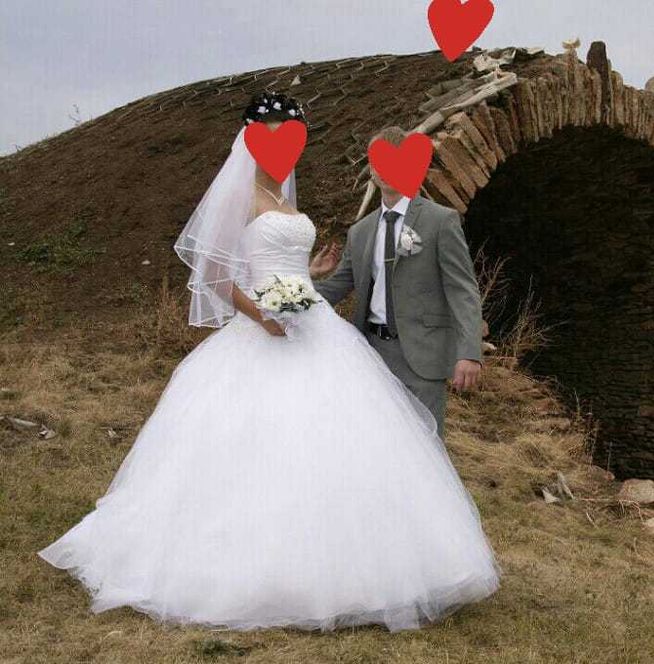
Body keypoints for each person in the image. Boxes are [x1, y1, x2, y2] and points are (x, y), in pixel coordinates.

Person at [36, 91, 502, 633]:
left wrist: (310, 271)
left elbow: (282, 265)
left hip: (316, 331)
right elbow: (216, 273)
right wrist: (262, 316)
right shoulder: (242, 199)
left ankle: (371, 558)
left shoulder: (285, 198)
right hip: (264, 331)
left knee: (349, 442)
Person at [310, 126, 484, 440]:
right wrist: (299, 280)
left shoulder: (440, 220)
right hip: (371, 356)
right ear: (372, 170)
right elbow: (334, 289)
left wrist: (469, 352)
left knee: (426, 446)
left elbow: (463, 290)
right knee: (377, 443)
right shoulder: (360, 232)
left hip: (423, 356)